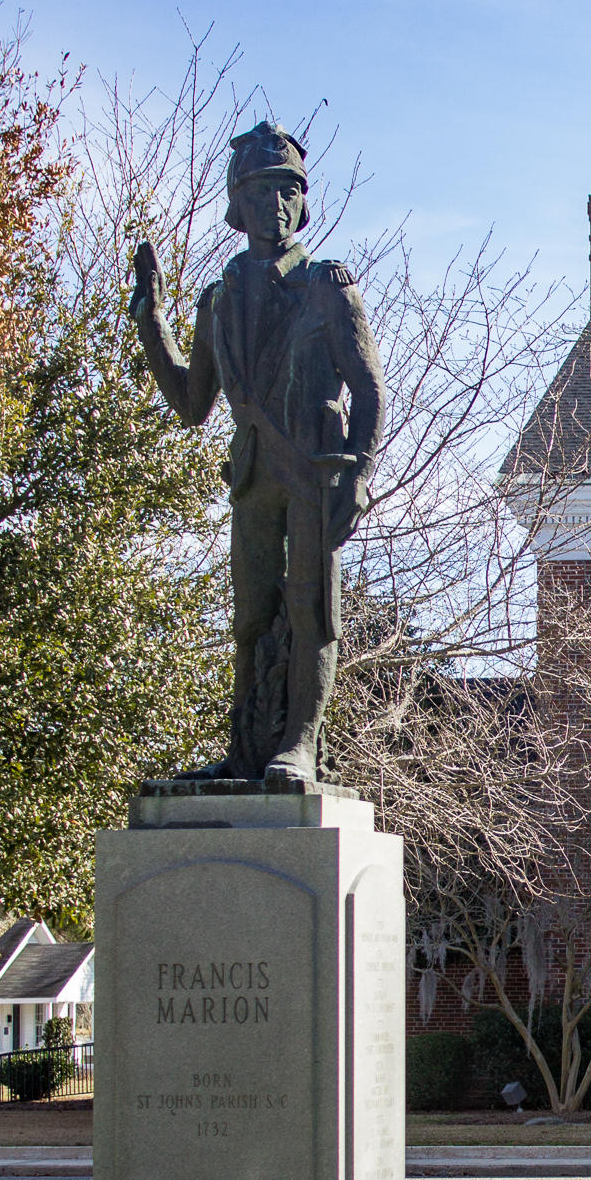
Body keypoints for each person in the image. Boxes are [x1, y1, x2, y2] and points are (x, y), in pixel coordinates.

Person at [129, 120, 385, 783]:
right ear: (237, 204)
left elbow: (370, 389)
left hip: (312, 471)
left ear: (302, 202)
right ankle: (245, 750)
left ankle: (300, 742)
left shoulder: (326, 284)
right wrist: (151, 325)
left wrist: (358, 476)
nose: (277, 205)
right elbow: (192, 403)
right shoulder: (216, 300)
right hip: (251, 475)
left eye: (288, 191)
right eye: (262, 191)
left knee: (310, 608)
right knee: (250, 616)